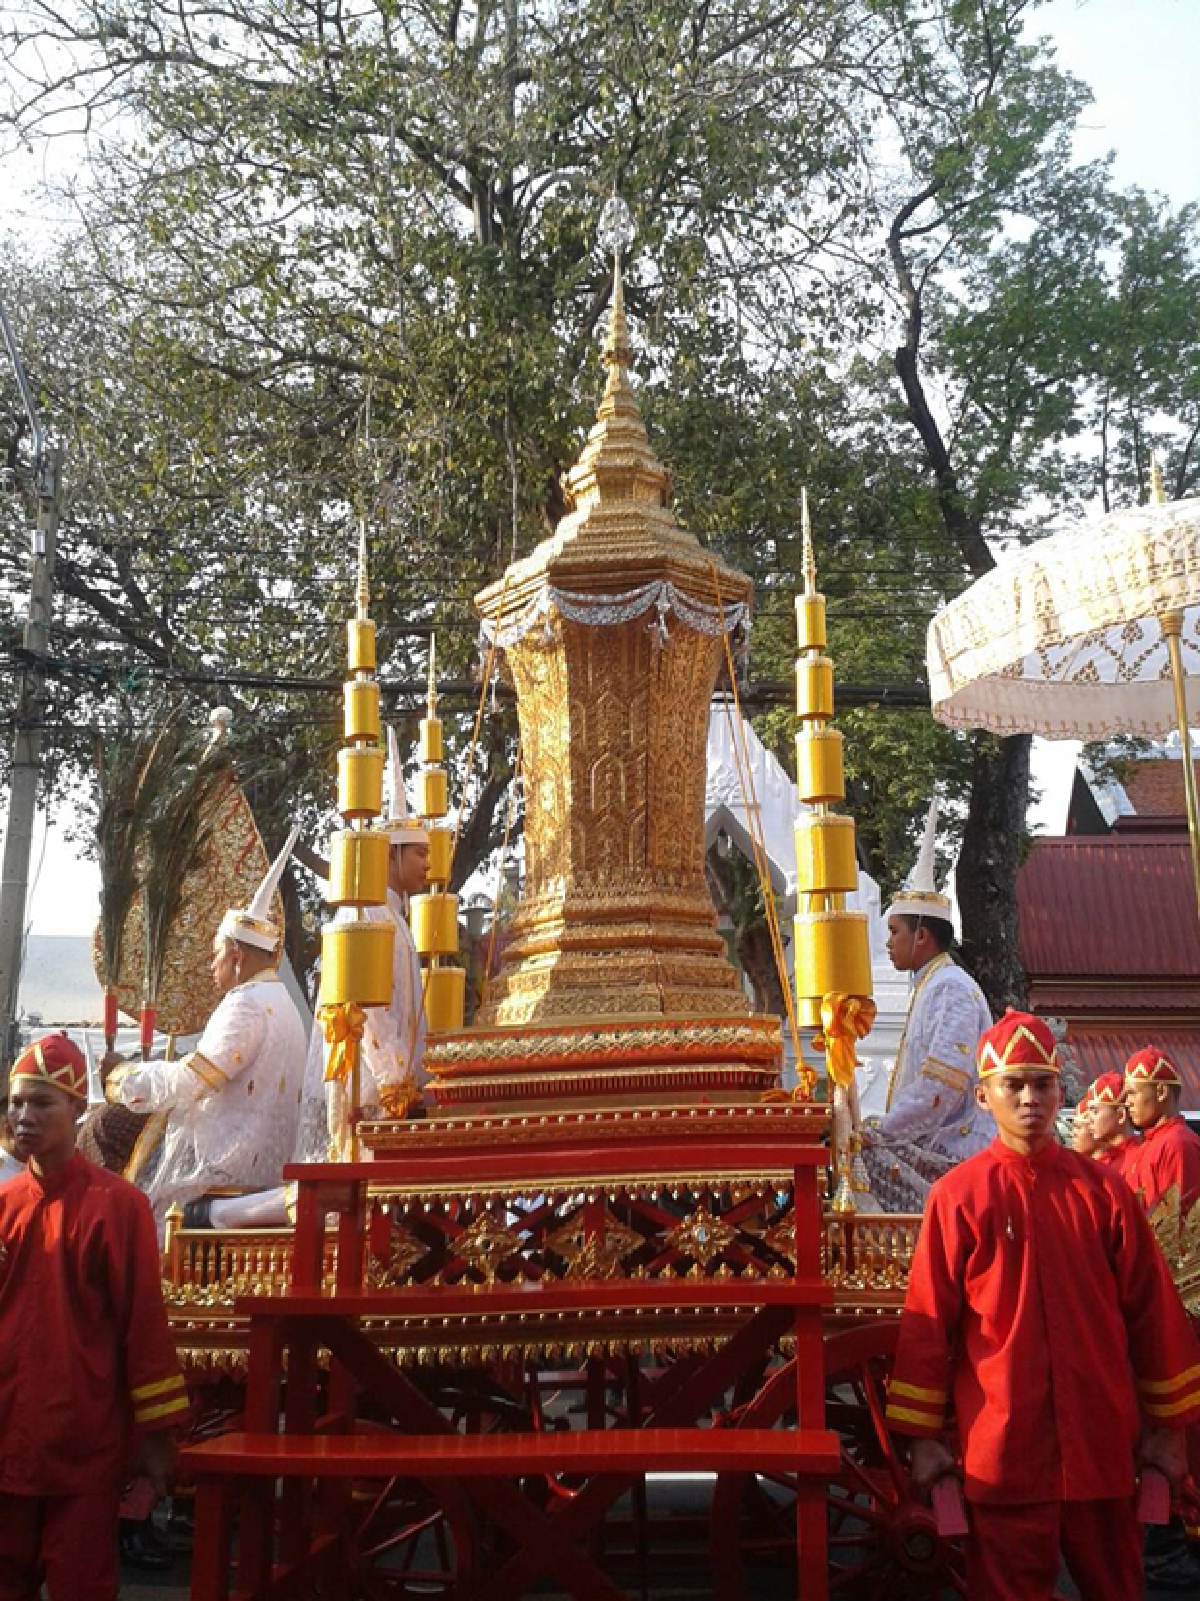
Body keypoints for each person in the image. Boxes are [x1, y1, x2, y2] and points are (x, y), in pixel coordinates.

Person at [884, 1009, 1200, 1601]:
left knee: (1117, 1588)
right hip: (1003, 1450)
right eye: (1014, 1084)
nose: (1031, 1097)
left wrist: (1169, 1431)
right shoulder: (957, 1197)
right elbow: (929, 1325)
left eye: (1043, 1082)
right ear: (983, 1096)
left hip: (1102, 1442)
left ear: (1061, 1091)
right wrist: (923, 1439)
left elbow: (1153, 1313)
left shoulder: (1105, 1192)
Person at [196, 733, 432, 1228]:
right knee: (343, 1195)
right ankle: (225, 1214)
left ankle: (229, 1213)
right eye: (417, 853)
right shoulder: (369, 914)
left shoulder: (400, 919)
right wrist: (393, 1084)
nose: (428, 864)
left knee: (360, 1196)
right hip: (368, 1079)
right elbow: (370, 1010)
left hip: (391, 1081)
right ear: (389, 856)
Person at [0, 1033, 190, 1600]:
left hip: (82, 1441)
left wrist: (157, 1439)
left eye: (41, 1103)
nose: (23, 1117)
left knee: (81, 1585)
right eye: (16, 1103)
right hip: (7, 1435)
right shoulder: (4, 1206)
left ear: (78, 1109)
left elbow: (144, 1326)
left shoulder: (118, 1205)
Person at [106, 826, 308, 1230]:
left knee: (107, 1132)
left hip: (226, 1168)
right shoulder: (281, 1002)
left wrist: (123, 1077)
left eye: (215, 955)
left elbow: (189, 1083)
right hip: (262, 1164)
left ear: (236, 955)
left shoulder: (247, 1004)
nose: (210, 966)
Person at [861, 800, 994, 1211]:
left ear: (922, 935)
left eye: (894, 931)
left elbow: (941, 1087)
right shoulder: (931, 985)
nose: (888, 942)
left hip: (957, 1148)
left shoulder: (950, 988)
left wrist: (883, 1130)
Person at [1123, 1047, 1200, 1218]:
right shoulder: (1147, 1146)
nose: (1127, 1103)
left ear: (1161, 1092)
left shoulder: (1178, 1144)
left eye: (1132, 1093)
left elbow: (1177, 1228)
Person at [1087, 1071, 1141, 1182]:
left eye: (1095, 1111)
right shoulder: (1102, 1161)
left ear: (1121, 1115)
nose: (1090, 1119)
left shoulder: (1139, 1160)